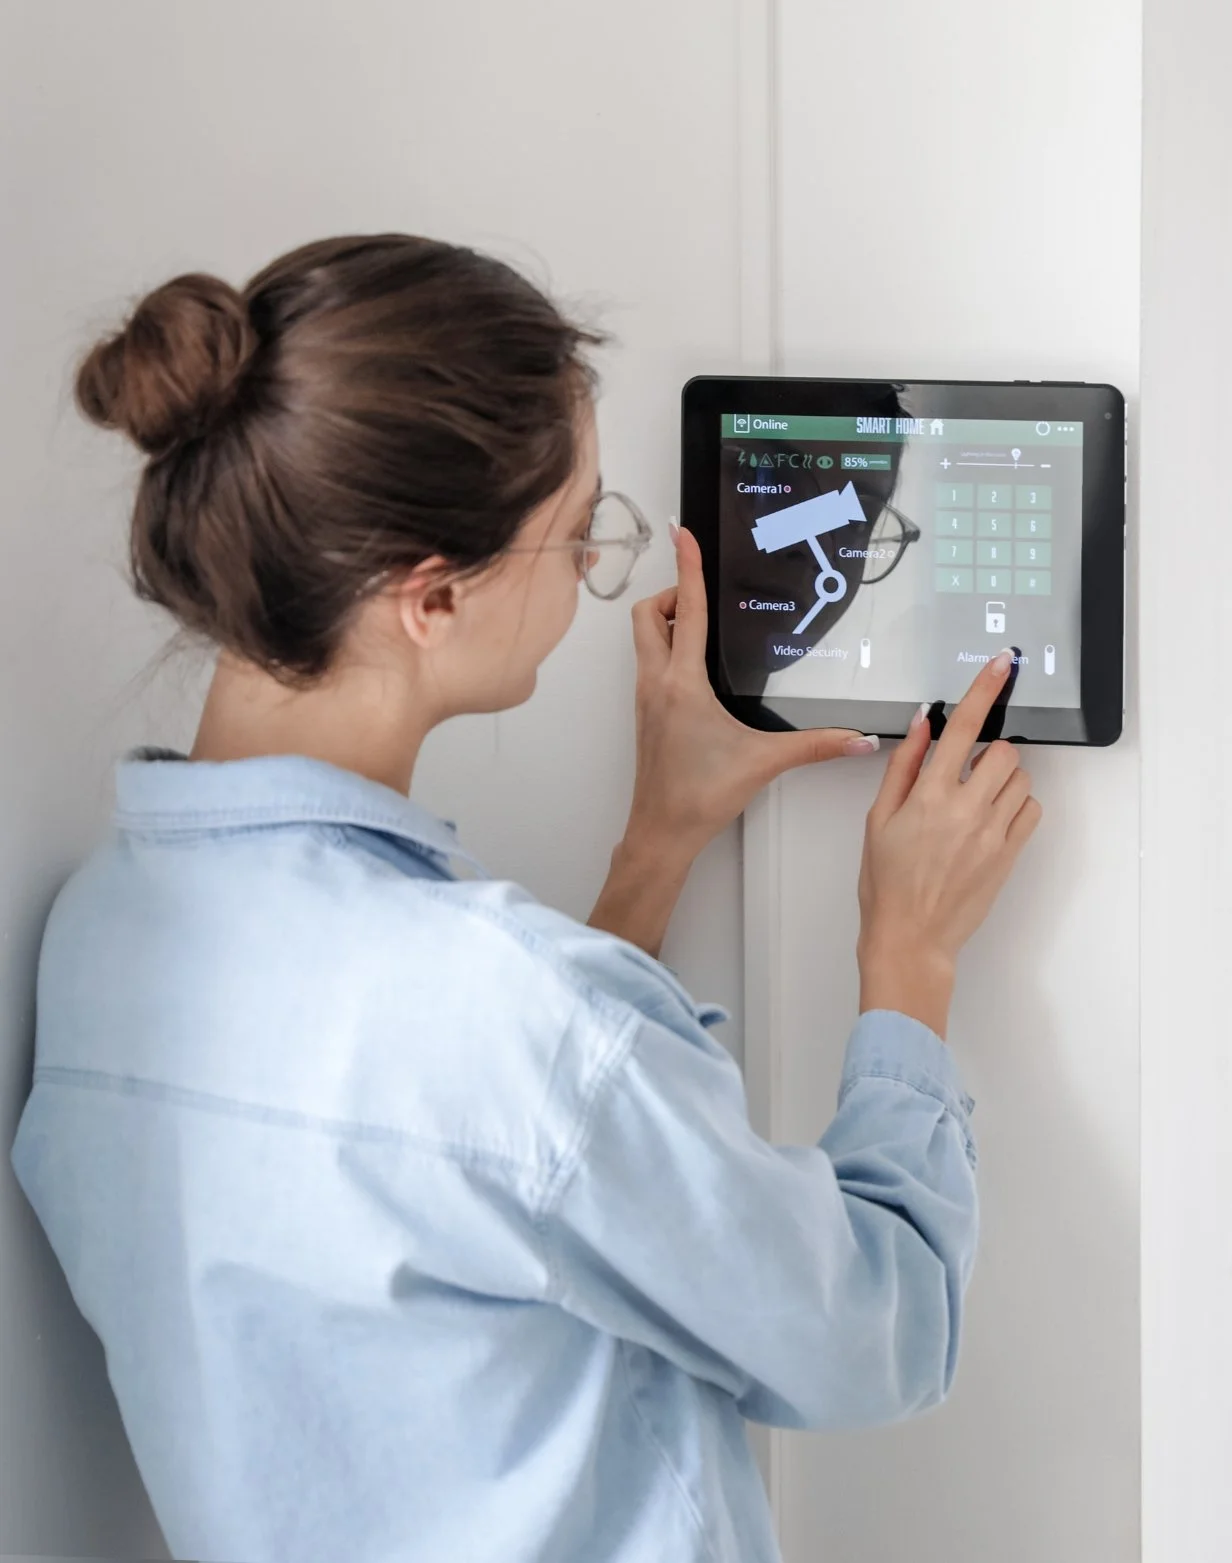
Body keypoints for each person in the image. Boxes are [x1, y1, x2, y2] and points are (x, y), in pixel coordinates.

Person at [10, 234, 1041, 1563]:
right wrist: (910, 962)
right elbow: (868, 1337)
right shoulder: (515, 1015)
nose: (594, 571)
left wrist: (659, 840)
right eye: (582, 532)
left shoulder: (102, 935)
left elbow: (483, 1180)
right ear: (433, 595)